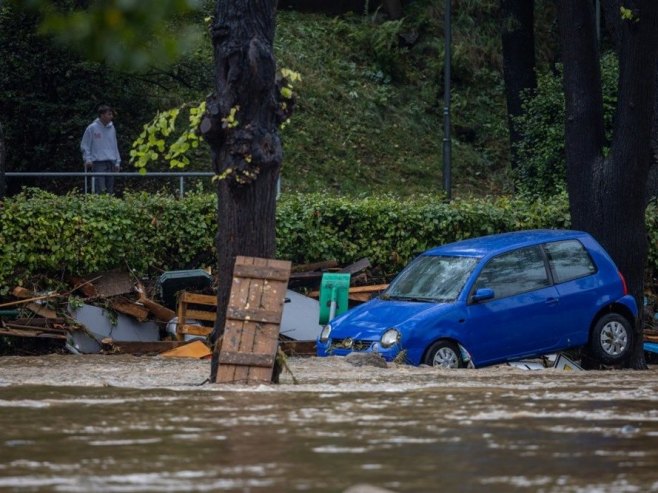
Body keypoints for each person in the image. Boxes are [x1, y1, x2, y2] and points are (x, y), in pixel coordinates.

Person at [80, 105, 121, 194]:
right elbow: (85, 145)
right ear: (102, 115)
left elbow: (114, 145)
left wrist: (117, 161)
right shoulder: (92, 128)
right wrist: (87, 159)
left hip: (111, 162)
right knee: (100, 189)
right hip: (98, 162)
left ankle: (110, 207)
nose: (111, 116)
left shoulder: (112, 128)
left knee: (110, 190)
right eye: (109, 114)